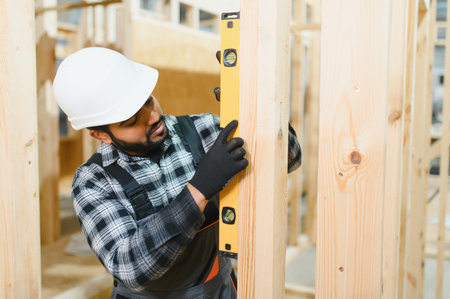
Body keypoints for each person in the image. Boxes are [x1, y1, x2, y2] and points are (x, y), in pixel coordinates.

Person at [53, 47, 301, 299]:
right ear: (101, 134)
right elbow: (130, 268)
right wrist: (200, 188)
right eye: (131, 120)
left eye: (148, 100)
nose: (152, 117)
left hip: (216, 291)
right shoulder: (94, 181)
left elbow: (290, 160)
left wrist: (259, 108)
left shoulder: (202, 131)